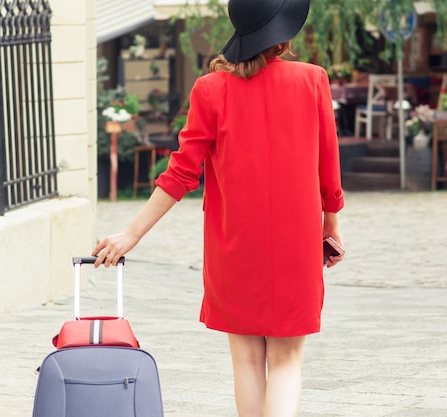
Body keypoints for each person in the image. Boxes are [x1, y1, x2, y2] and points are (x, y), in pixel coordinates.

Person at [92, 0, 344, 415]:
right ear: (282, 37)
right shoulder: (312, 80)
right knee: (286, 360)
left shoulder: (210, 89)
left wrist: (130, 234)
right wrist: (330, 226)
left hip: (234, 245)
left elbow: (180, 174)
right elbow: (327, 169)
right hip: (296, 242)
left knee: (245, 360)